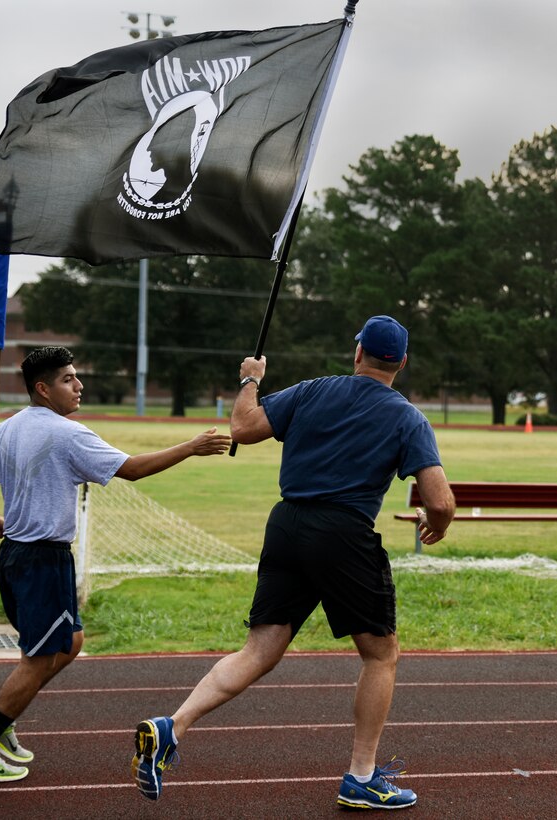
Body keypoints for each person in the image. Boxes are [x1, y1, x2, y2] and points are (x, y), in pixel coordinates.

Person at [130, 316, 456, 811]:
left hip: (286, 525)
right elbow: (440, 500)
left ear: (358, 353)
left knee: (259, 649)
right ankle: (362, 776)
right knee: (380, 654)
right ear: (402, 363)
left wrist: (250, 379)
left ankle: (173, 725)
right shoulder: (407, 417)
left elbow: (244, 426)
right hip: (344, 534)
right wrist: (439, 523)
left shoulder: (311, 391)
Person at [0, 345, 231, 783]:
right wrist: (192, 446)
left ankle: (2, 723)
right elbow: (132, 469)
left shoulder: (7, 429)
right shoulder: (67, 434)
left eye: (76, 377)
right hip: (43, 559)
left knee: (71, 642)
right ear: (43, 389)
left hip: (17, 556)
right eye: (68, 379)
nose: (79, 386)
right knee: (38, 659)